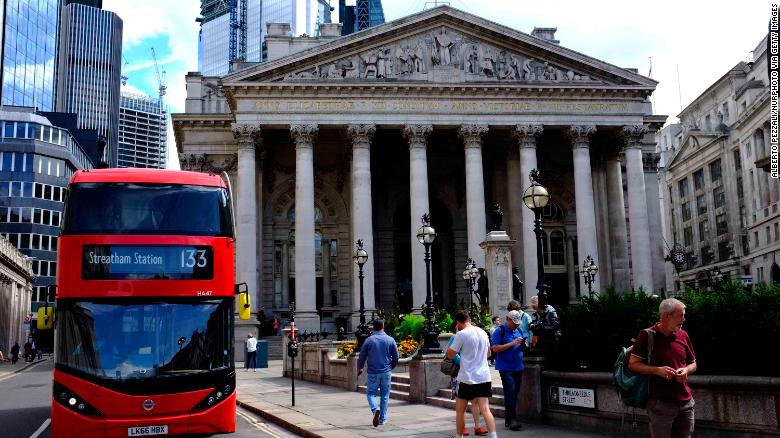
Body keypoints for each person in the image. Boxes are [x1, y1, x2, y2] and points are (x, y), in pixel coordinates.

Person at [629, 298, 697, 438]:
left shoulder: (683, 335)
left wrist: (686, 370)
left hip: (685, 403)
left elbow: (694, 363)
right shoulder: (647, 335)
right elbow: (633, 364)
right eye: (681, 316)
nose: (684, 319)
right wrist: (657, 370)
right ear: (667, 316)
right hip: (660, 404)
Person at [447, 310, 497, 438]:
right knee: (485, 409)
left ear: (458, 322)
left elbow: (450, 354)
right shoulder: (483, 332)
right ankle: (494, 436)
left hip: (467, 377)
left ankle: (459, 436)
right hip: (484, 376)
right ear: (469, 319)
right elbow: (489, 354)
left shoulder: (461, 334)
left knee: (460, 411)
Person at [492, 310, 531, 431]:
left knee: (515, 393)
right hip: (505, 367)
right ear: (508, 320)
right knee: (510, 392)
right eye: (514, 322)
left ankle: (509, 420)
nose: (517, 325)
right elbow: (495, 348)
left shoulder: (519, 330)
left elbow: (522, 347)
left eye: (518, 323)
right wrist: (512, 343)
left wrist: (524, 345)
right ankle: (512, 420)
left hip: (518, 366)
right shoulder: (500, 331)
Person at [357, 319, 399, 427]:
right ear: (383, 326)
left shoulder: (369, 340)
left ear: (373, 328)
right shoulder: (390, 339)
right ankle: (382, 419)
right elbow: (396, 357)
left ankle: (375, 409)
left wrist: (360, 368)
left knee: (371, 393)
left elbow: (362, 356)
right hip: (386, 371)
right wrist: (391, 367)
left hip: (373, 372)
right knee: (385, 395)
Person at [448, 327, 488, 436]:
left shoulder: (471, 336)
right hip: (458, 372)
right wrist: (464, 362)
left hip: (471, 373)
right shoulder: (455, 337)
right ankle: (463, 428)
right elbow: (452, 354)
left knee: (475, 401)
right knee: (462, 403)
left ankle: (477, 427)